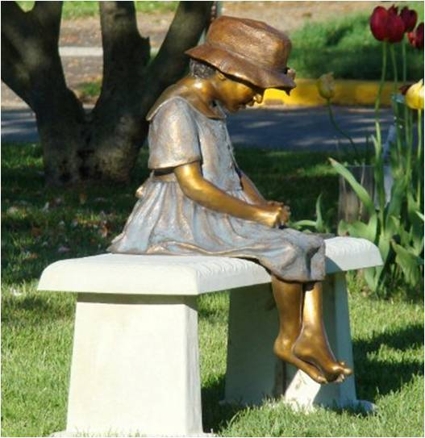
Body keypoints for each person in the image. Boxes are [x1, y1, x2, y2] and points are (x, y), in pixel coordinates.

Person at [108, 15, 352, 384]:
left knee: (309, 242)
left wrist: (263, 205)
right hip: (178, 218)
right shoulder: (176, 109)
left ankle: (313, 336)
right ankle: (288, 339)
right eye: (254, 86)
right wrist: (254, 213)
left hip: (212, 211)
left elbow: (232, 173)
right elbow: (192, 185)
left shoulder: (213, 108)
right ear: (224, 72)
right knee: (285, 250)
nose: (257, 97)